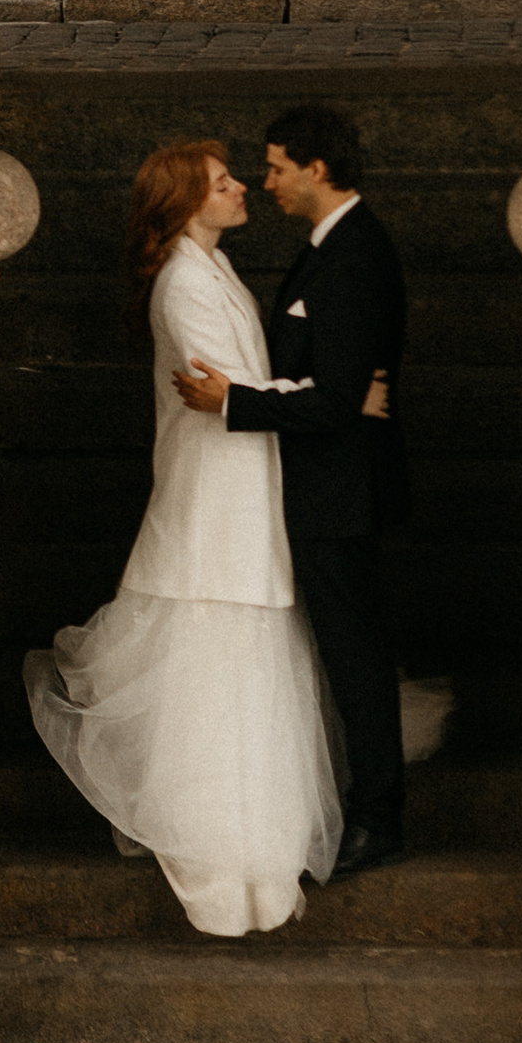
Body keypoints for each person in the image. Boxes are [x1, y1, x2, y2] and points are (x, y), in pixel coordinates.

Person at [23, 134, 343, 935]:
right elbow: (228, 391)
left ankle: (248, 846)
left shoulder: (212, 268)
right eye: (221, 181)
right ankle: (218, 851)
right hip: (214, 493)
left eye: (235, 177)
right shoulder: (183, 284)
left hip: (239, 483)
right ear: (184, 202)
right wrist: (331, 393)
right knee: (214, 644)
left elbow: (242, 391)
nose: (240, 188)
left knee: (243, 649)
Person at [171, 101, 411, 879]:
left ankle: (379, 819)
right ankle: (366, 802)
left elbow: (339, 398)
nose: (265, 180)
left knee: (355, 656)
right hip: (321, 484)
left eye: (276, 167)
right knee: (344, 651)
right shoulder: (324, 250)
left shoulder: (355, 256)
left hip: (339, 494)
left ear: (317, 169)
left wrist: (235, 403)